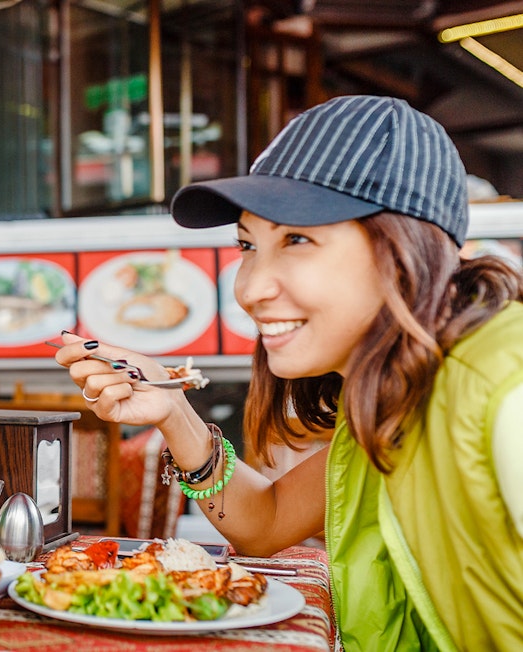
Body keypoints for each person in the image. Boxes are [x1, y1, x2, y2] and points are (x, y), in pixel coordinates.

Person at [54, 95, 523, 650]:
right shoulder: (397, 397)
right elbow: (266, 522)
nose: (250, 288)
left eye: (297, 239)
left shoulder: (502, 386)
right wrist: (173, 410)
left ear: (404, 249)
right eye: (249, 245)